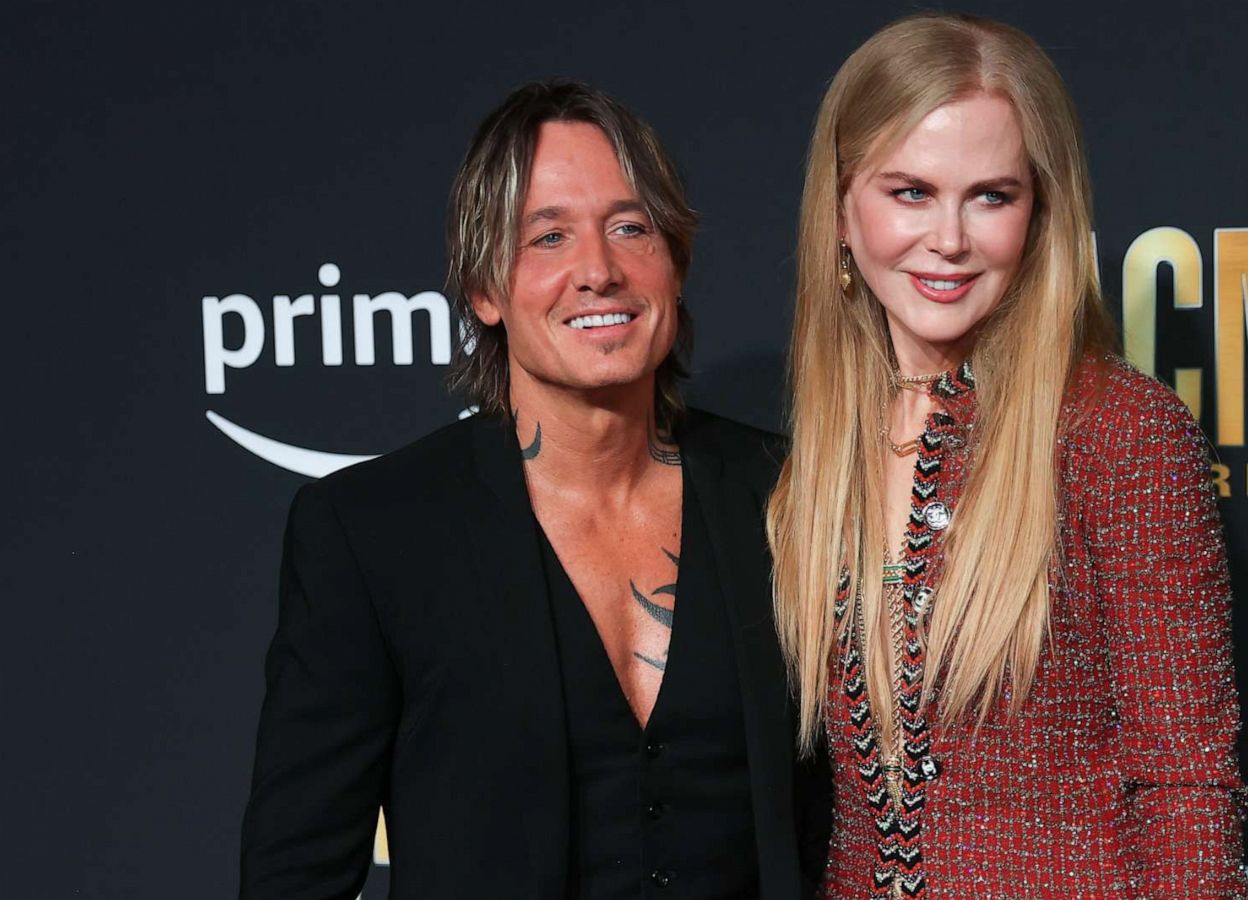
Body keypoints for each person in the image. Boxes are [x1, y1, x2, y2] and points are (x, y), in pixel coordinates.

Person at [241, 79, 826, 899]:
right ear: (484, 289)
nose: (599, 270)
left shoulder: (788, 495)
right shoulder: (373, 533)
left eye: (631, 227)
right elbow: (296, 871)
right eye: (547, 237)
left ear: (675, 262)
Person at [766, 14, 1248, 898]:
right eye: (909, 190)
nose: (949, 238)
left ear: (1042, 211)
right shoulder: (820, 449)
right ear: (840, 205)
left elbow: (1186, 785)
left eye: (992, 195)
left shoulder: (1119, 431)